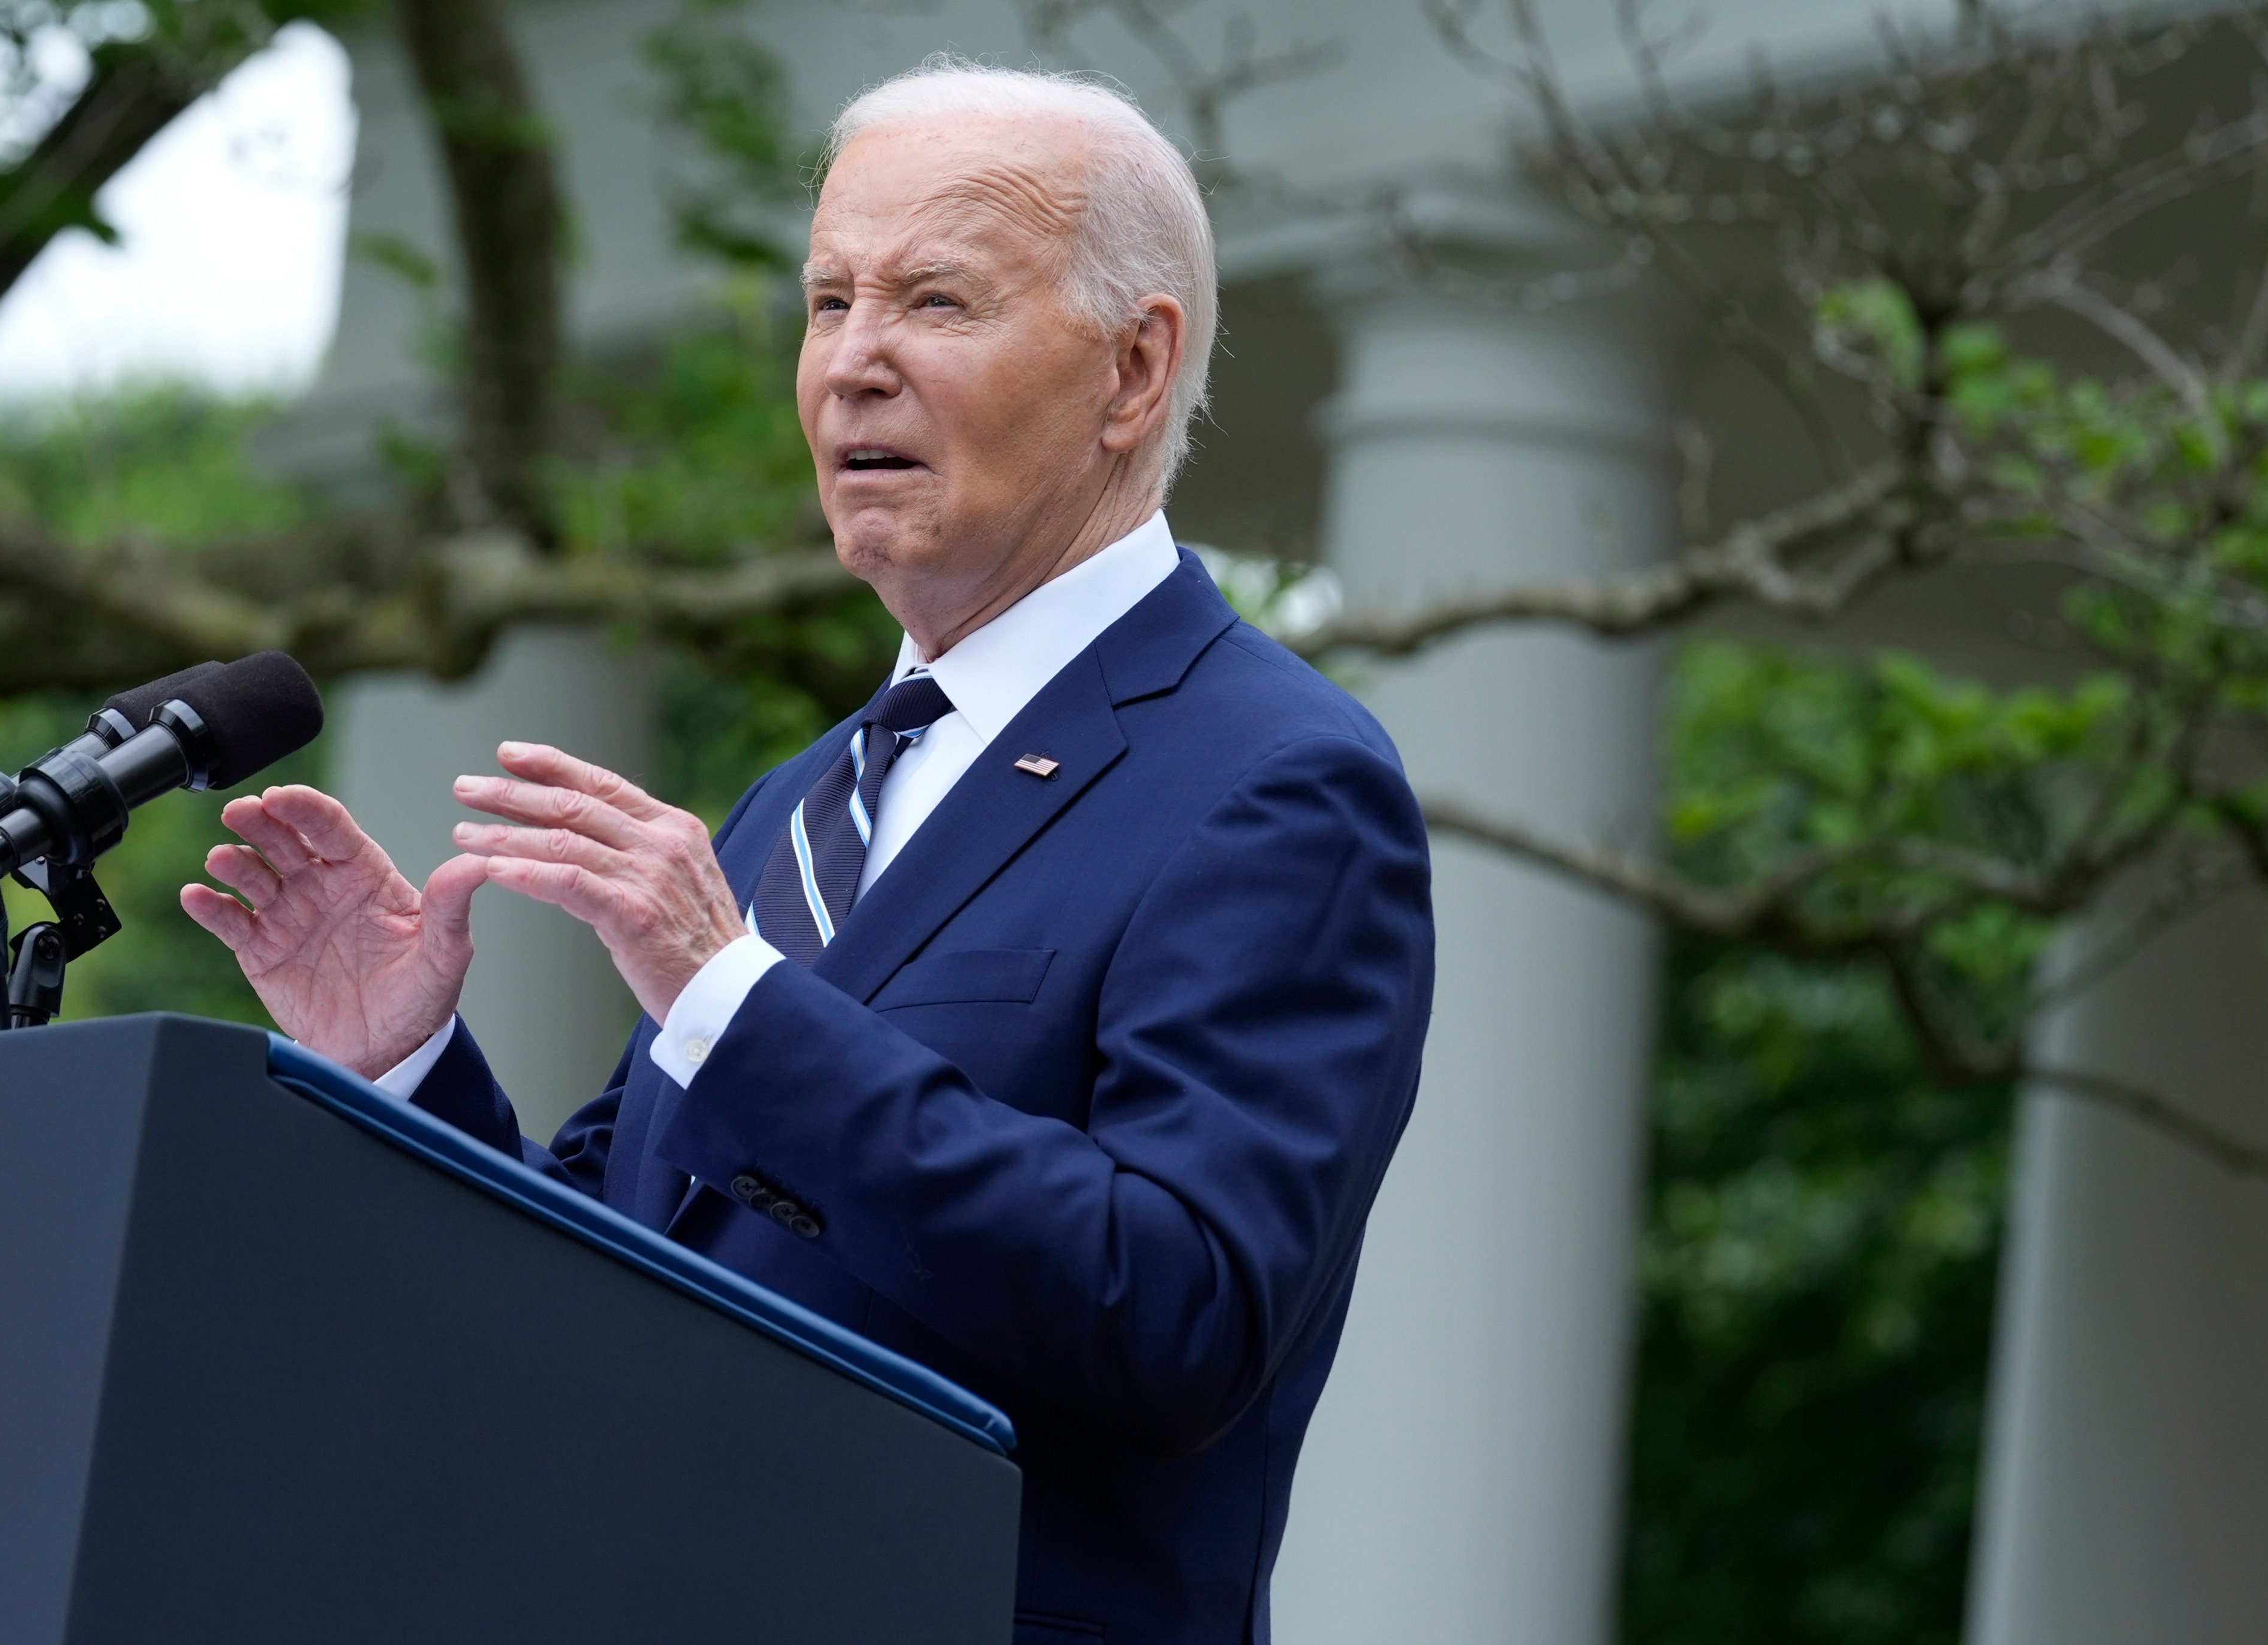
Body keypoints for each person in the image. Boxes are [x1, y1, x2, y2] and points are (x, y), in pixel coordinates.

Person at [181, 60, 1434, 1645]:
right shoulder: (798, 804)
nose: (852, 366)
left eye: (935, 301)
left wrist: (738, 999)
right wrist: (409, 1061)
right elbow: (610, 1284)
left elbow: (1174, 1307)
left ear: (1134, 369)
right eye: (828, 300)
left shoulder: (1278, 783)